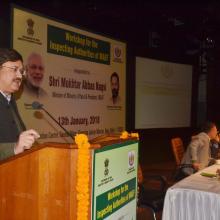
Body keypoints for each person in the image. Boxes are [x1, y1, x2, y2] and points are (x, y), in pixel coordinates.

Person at [0, 48, 40, 161]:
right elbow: (14, 147)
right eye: (14, 69)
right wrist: (14, 148)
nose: (19, 76)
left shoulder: (10, 100)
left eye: (21, 71)